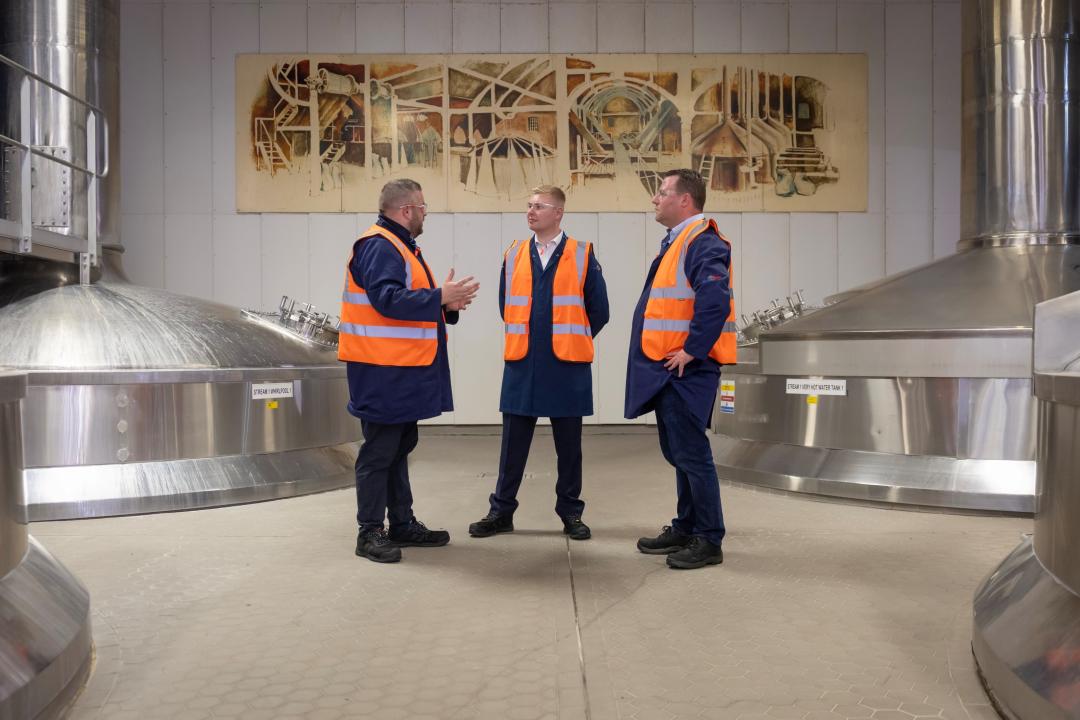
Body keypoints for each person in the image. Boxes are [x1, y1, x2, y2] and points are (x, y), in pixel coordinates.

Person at [339, 178, 479, 563]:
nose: (425, 213)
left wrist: (444, 305)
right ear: (406, 210)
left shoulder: (400, 246)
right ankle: (369, 532)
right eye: (423, 207)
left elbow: (405, 302)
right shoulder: (379, 246)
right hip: (381, 369)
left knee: (400, 446)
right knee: (380, 450)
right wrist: (439, 296)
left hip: (400, 368)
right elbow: (386, 299)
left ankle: (401, 523)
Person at [469, 185, 609, 541]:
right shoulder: (514, 253)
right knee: (512, 445)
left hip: (567, 365)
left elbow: (600, 311)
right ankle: (501, 511)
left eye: (540, 206)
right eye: (529, 205)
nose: (531, 212)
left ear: (558, 213)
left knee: (569, 448)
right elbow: (507, 306)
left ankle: (571, 514)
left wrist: (569, 337)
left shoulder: (582, 253)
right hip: (522, 363)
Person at [625, 169, 736, 570]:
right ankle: (687, 525)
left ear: (685, 200)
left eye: (662, 192)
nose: (655, 199)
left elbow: (715, 299)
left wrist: (692, 349)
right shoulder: (678, 242)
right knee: (679, 452)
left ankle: (709, 539)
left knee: (692, 454)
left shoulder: (702, 241)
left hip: (686, 368)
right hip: (668, 366)